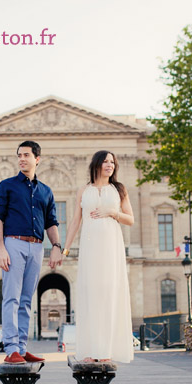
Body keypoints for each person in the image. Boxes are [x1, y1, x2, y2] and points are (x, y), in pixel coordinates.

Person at [0, 140, 63, 364]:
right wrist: (1, 248)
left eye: (26, 155)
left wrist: (56, 248)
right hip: (13, 243)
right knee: (11, 297)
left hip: (37, 246)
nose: (22, 159)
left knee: (26, 300)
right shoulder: (7, 185)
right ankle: (11, 348)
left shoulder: (45, 191)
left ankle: (22, 349)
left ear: (37, 159)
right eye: (19, 155)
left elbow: (51, 222)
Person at [61, 150, 134, 363]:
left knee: (109, 293)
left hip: (111, 247)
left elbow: (130, 219)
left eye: (112, 162)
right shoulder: (83, 191)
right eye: (106, 162)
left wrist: (113, 213)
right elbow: (75, 221)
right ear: (97, 165)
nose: (110, 165)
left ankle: (107, 351)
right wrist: (64, 250)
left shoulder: (119, 189)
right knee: (91, 294)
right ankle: (92, 351)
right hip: (90, 248)